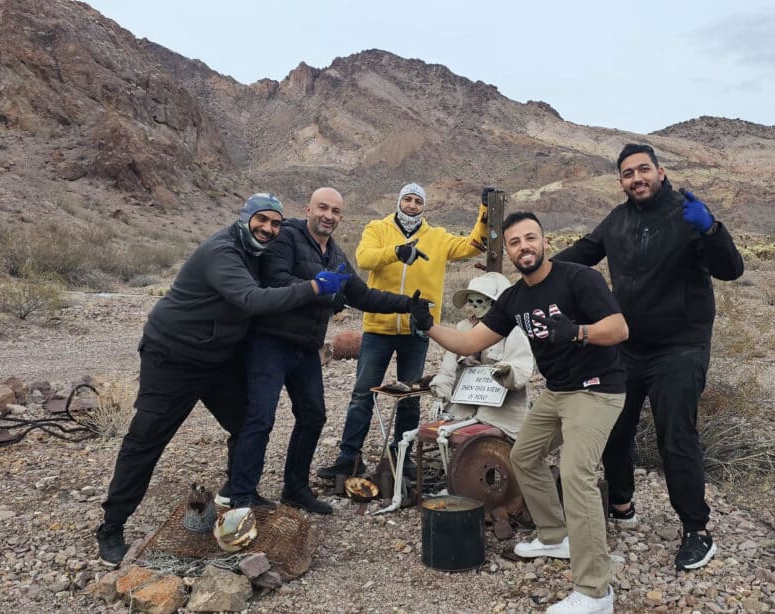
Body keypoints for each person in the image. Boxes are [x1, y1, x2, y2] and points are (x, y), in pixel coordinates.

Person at [95, 193, 350, 564]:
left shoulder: (260, 251)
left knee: (248, 421)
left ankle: (237, 492)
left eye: (275, 224)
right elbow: (251, 299)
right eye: (261, 220)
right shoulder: (223, 251)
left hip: (218, 358)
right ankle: (112, 525)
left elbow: (302, 240)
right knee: (147, 438)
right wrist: (314, 288)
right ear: (244, 218)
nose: (268, 228)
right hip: (173, 356)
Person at [412, 211, 628, 614]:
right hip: (560, 392)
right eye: (515, 242)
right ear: (509, 250)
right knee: (524, 456)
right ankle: (555, 535)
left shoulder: (579, 279)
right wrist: (428, 326)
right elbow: (467, 342)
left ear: (544, 241)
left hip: (597, 390)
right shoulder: (515, 298)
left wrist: (578, 332)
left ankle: (597, 592)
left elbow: (618, 329)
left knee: (577, 475)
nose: (523, 246)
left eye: (531, 238)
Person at [553, 143, 744, 571]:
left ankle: (697, 530)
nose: (636, 178)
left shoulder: (687, 213)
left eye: (643, 170)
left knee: (675, 436)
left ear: (660, 171)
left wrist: (712, 230)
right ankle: (622, 503)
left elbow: (731, 269)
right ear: (620, 181)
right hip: (629, 345)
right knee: (614, 427)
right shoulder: (618, 220)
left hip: (681, 346)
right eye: (627, 173)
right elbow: (582, 254)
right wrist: (534, 274)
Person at [227, 187, 414, 514]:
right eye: (323, 208)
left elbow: (364, 296)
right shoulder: (286, 237)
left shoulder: (337, 255)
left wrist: (409, 304)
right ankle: (242, 495)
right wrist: (321, 292)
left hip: (305, 347)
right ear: (308, 209)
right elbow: (274, 280)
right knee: (260, 418)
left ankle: (295, 488)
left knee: (313, 416)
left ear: (341, 217)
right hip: (270, 341)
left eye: (336, 211)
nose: (328, 216)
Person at [317, 183, 489, 479]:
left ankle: (402, 458)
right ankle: (349, 458)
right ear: (399, 202)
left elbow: (474, 244)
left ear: (424, 206)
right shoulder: (377, 228)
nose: (411, 205)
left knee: (411, 394)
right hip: (379, 327)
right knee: (362, 393)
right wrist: (398, 252)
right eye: (407, 199)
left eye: (417, 201)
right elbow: (364, 258)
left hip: (417, 330)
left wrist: (485, 211)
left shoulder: (437, 237)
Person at [428, 271, 534, 439]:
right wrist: (439, 396)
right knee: (444, 433)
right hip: (464, 403)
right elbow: (448, 365)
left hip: (501, 408)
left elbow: (522, 365)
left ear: (492, 302)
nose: (474, 306)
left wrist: (506, 370)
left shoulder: (511, 330)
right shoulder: (463, 327)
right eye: (470, 301)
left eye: (480, 301)